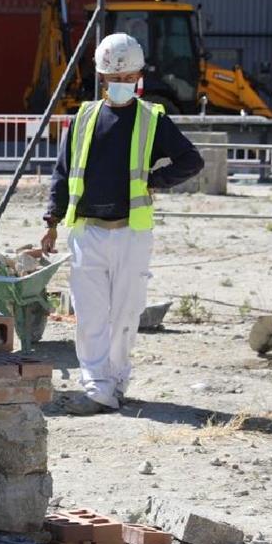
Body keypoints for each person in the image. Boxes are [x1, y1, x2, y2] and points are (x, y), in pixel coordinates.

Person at [41, 33, 203, 415]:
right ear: (101, 79)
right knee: (91, 314)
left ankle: (116, 382)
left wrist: (154, 180)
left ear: (139, 77)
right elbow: (62, 173)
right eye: (116, 78)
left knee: (126, 313)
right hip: (87, 230)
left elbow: (190, 161)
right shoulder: (82, 120)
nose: (122, 84)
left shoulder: (152, 120)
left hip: (131, 233)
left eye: (129, 77)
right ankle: (98, 387)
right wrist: (50, 220)